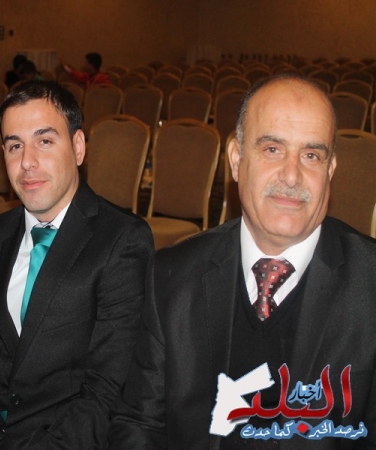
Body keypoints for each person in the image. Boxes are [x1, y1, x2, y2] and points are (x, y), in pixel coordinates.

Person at [109, 73, 376, 448]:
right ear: (236, 159)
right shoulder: (173, 276)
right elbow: (140, 422)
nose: (292, 175)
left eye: (311, 155)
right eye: (272, 149)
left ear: (330, 170)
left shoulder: (370, 284)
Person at [0, 80, 154, 449]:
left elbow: (106, 393)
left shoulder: (121, 241)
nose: (27, 161)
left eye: (44, 141)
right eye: (15, 146)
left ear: (78, 147)